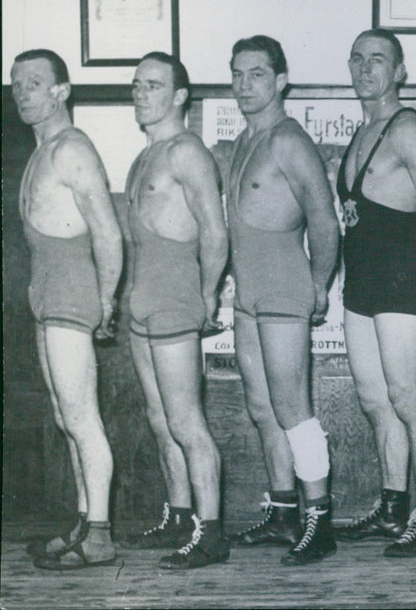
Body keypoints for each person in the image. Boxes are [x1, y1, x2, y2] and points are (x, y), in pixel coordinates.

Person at [336, 29, 416, 557]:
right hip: (361, 283)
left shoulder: (408, 131)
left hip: (400, 280)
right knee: (375, 401)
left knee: (410, 400)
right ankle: (392, 508)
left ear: (401, 72)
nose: (366, 69)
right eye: (358, 59)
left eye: (379, 60)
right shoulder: (363, 130)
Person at [224, 35, 340, 566]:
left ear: (280, 81)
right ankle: (283, 511)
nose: (245, 85)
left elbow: (324, 219)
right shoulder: (245, 140)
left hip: (284, 287)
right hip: (249, 294)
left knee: (293, 408)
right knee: (261, 408)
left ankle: (320, 521)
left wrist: (318, 284)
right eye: (238, 74)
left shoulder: (288, 140)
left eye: (257, 75)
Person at [12, 49, 122, 571]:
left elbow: (107, 229)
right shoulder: (41, 150)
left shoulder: (72, 148)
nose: (22, 93)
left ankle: (100, 536)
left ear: (62, 91)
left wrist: (106, 300)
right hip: (47, 290)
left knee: (82, 416)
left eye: (35, 83)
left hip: (73, 290)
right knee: (65, 415)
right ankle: (84, 522)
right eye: (17, 84)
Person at [120, 52, 230, 569]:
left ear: (180, 95)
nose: (141, 94)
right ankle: (180, 516)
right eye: (137, 85)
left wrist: (207, 295)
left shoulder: (187, 152)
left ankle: (210, 534)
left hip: (174, 296)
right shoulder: (145, 155)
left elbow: (214, 230)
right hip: (140, 298)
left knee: (187, 422)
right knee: (160, 419)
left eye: (153, 85)